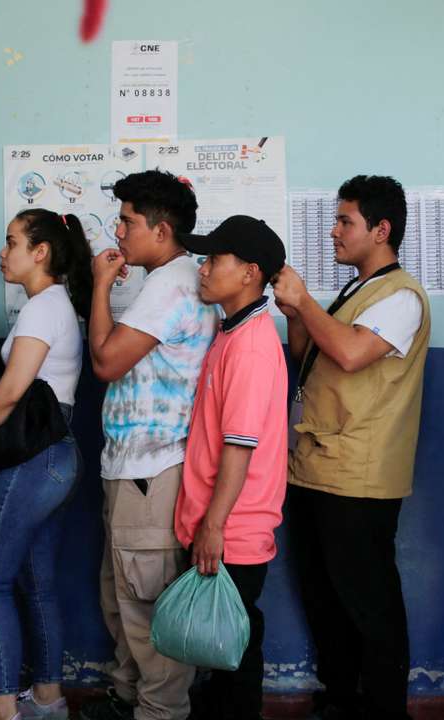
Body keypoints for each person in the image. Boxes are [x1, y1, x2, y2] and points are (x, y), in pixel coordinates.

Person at [272, 175, 429, 720]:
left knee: (369, 603)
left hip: (359, 476)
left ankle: (384, 709)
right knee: (325, 598)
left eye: (345, 221)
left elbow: (350, 353)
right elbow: (309, 354)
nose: (334, 231)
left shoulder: (401, 295)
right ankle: (342, 699)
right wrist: (296, 315)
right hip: (316, 466)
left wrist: (305, 302)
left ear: (381, 230)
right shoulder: (355, 291)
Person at [83, 170, 218, 720]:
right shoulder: (164, 279)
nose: (118, 231)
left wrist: (97, 287)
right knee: (122, 595)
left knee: (144, 602)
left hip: (153, 468)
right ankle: (128, 696)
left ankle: (160, 710)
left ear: (161, 231)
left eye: (128, 221)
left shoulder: (171, 283)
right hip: (133, 465)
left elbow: (106, 362)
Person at [0, 209, 90, 720]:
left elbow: (10, 391)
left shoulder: (42, 308)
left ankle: (0, 710)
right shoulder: (56, 306)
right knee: (38, 586)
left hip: (32, 457)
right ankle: (47, 699)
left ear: (41, 252)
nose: (2, 252)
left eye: (11, 242)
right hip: (57, 459)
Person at [173, 216, 288, 720]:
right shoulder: (232, 332)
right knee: (217, 659)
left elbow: (239, 448)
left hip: (232, 531)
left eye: (215, 259)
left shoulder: (252, 346)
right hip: (216, 523)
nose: (203, 269)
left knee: (233, 656)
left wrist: (214, 526)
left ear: (249, 273)